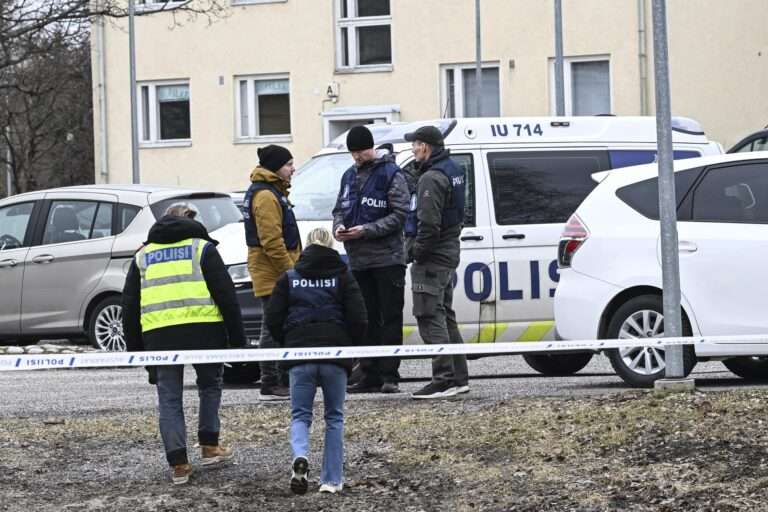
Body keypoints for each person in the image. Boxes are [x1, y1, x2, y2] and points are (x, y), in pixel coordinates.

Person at [122, 203, 246, 485]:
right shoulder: (202, 248)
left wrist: (137, 352)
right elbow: (226, 296)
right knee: (210, 385)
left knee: (169, 399)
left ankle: (178, 464)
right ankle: (210, 446)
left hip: (159, 335)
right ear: (192, 221)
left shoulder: (143, 255)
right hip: (205, 332)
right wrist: (238, 342)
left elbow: (129, 305)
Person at [265, 227, 367, 495]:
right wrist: (350, 346)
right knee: (334, 417)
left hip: (300, 356)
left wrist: (288, 342)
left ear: (306, 247)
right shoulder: (344, 276)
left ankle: (301, 457)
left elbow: (273, 319)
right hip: (335, 355)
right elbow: (359, 318)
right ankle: (331, 480)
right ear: (331, 246)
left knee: (300, 415)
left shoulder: (289, 277)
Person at [331, 125, 409, 394]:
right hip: (358, 260)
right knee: (365, 320)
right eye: (353, 153)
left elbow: (400, 215)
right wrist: (339, 229)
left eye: (360, 152)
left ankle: (390, 375)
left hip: (388, 260)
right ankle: (368, 372)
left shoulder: (391, 174)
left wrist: (366, 230)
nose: (356, 157)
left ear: (371, 148)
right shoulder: (348, 177)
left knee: (389, 318)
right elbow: (339, 210)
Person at [403, 125, 470, 399]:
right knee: (445, 314)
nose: (412, 149)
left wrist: (416, 252)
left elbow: (428, 224)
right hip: (447, 252)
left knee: (429, 315)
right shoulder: (453, 170)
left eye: (415, 145)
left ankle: (443, 379)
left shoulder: (431, 178)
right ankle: (458, 377)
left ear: (426, 147)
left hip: (432, 257)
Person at [243, 144, 301, 400]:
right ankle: (270, 380)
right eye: (289, 164)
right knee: (272, 327)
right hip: (273, 272)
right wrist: (291, 272)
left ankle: (281, 379)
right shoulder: (266, 196)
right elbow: (272, 242)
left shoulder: (271, 191)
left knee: (280, 325)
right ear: (276, 167)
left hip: (274, 271)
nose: (293, 168)